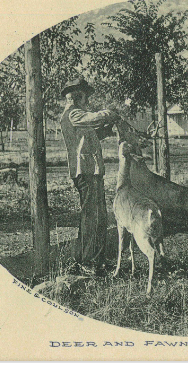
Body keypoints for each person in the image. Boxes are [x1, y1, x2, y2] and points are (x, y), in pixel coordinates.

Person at [59, 78, 120, 270]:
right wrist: (110, 113)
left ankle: (91, 259)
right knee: (92, 217)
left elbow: (90, 135)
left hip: (90, 171)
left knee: (96, 216)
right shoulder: (73, 113)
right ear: (78, 96)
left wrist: (105, 131)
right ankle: (89, 261)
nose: (88, 100)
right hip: (85, 171)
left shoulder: (78, 116)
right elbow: (93, 118)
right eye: (86, 96)